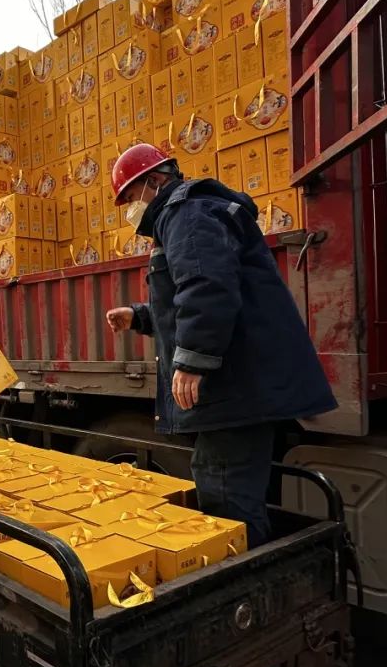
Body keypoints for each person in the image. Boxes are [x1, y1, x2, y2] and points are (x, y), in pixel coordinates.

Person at [104, 144, 337, 549]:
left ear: (154, 181)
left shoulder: (186, 211)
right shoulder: (190, 213)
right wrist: (139, 316)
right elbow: (198, 296)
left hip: (233, 391)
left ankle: (247, 582)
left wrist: (193, 361)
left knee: (226, 500)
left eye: (130, 198)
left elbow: (207, 286)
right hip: (243, 387)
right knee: (235, 491)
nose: (129, 210)